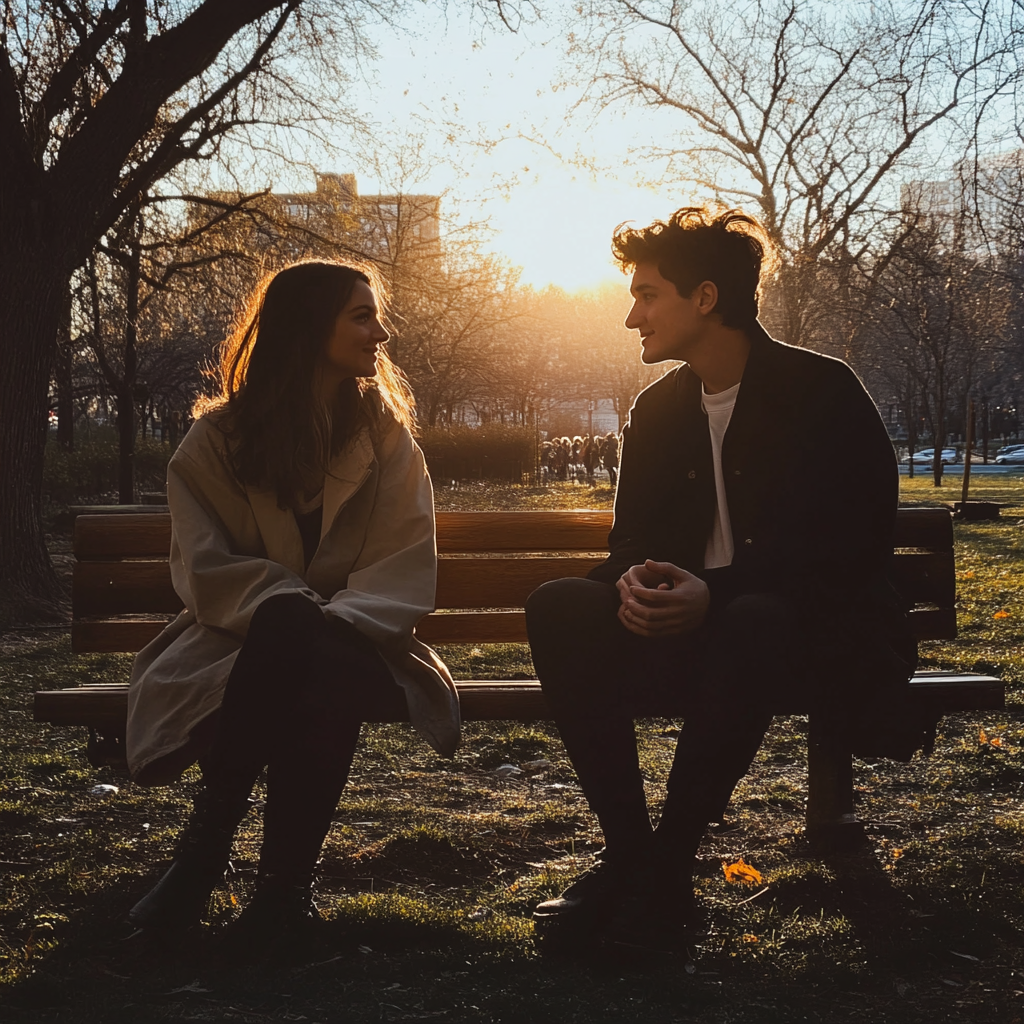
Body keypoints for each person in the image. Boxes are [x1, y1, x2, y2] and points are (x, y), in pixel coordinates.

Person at [525, 207, 917, 950]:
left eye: (647, 294)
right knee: (559, 606)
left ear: (705, 298)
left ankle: (667, 866)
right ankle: (633, 857)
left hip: (803, 637)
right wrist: (630, 582)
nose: (630, 316)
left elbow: (849, 551)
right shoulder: (658, 409)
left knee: (754, 618)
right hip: (694, 637)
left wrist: (720, 594)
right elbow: (631, 540)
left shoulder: (822, 392)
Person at [125, 261, 458, 945]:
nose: (381, 332)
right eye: (361, 316)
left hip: (363, 641)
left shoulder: (386, 439)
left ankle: (203, 855)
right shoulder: (215, 441)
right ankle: (281, 895)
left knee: (315, 650)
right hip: (238, 645)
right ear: (310, 327)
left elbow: (402, 562)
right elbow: (204, 567)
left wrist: (324, 621)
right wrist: (293, 614)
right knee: (296, 643)